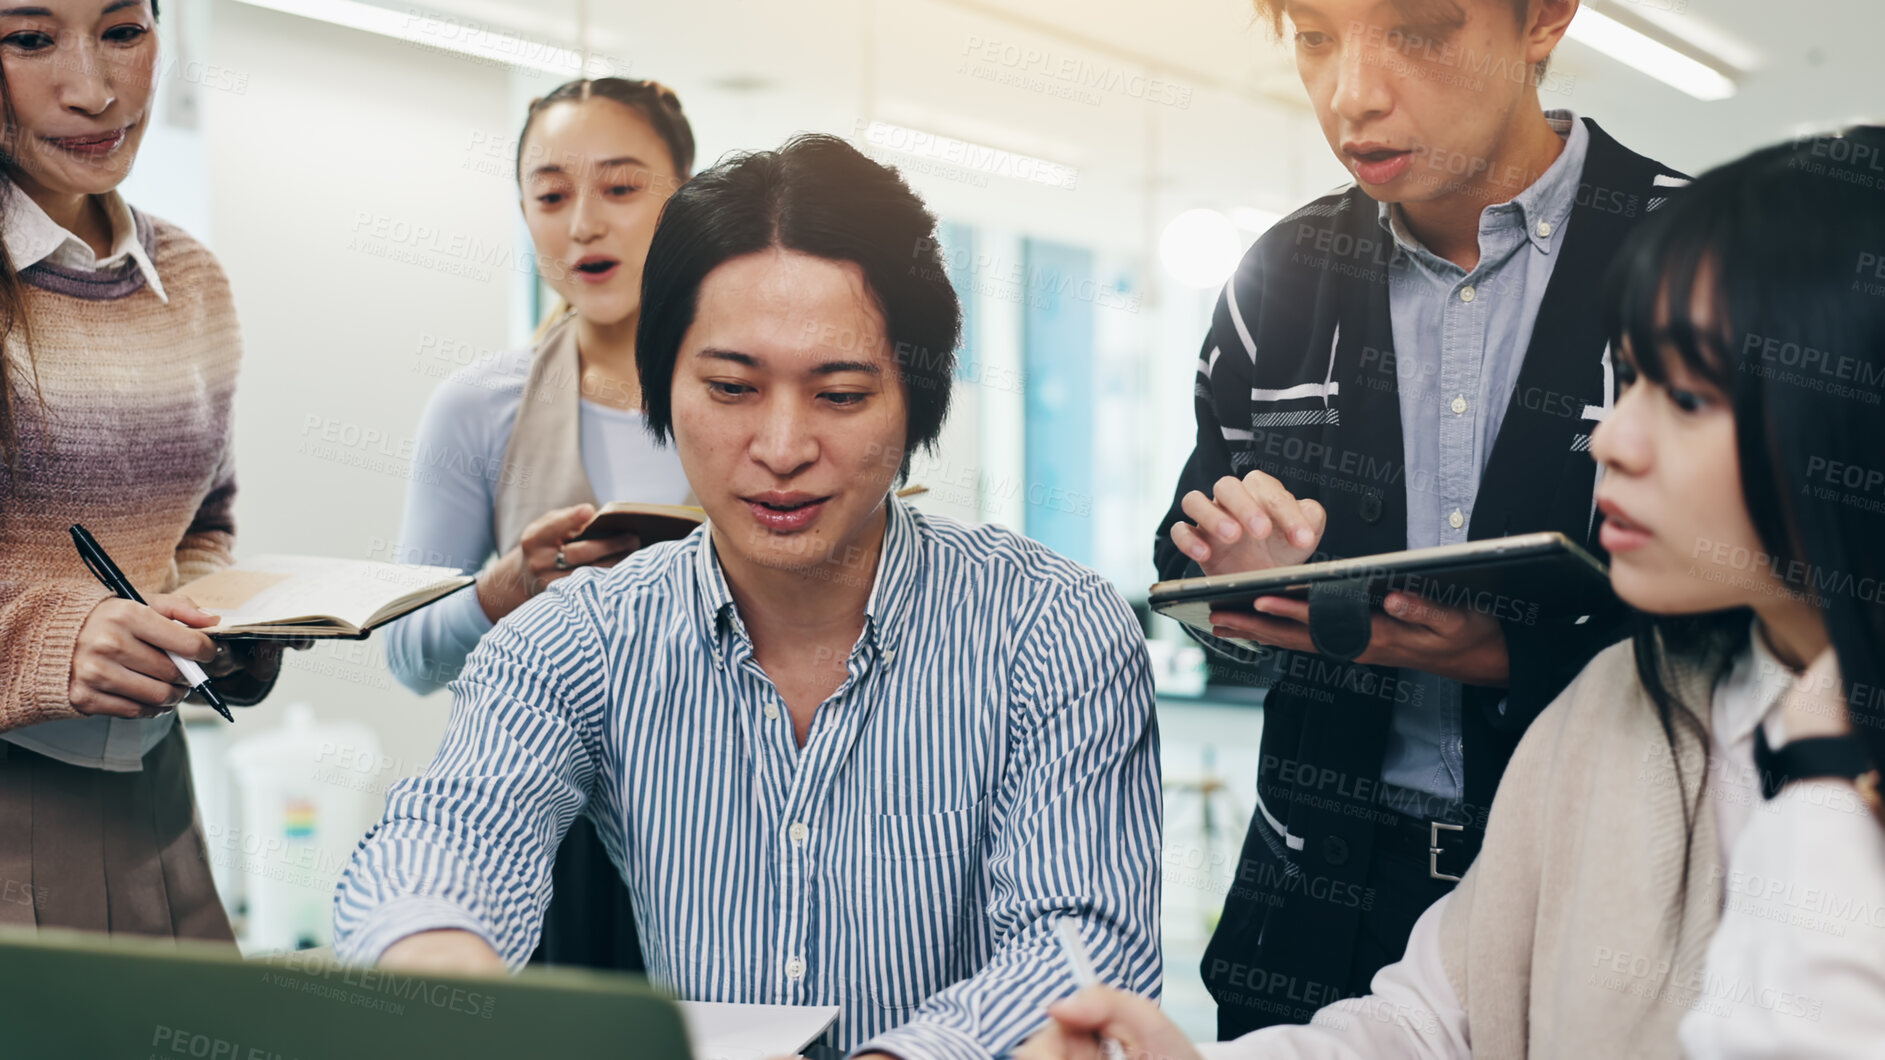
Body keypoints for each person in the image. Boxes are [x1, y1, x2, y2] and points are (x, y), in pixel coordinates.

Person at [1019, 125, 1885, 1059]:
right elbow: (1433, 1012)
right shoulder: (1616, 708)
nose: (1606, 443)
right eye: (1627, 381)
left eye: (1683, 399)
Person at [333, 134, 1163, 1057]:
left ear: (915, 396)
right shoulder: (581, 635)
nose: (779, 447)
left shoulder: (1049, 628)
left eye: (840, 396)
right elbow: (450, 832)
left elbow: (1083, 939)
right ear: (663, 384)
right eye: (729, 387)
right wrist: (442, 961)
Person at [1153, 0, 1686, 1035]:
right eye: (1313, 37)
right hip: (1316, 913)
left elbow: (1799, 613)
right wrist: (1234, 562)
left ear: (1544, 20)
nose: (1351, 94)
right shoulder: (1278, 277)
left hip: (1607, 906)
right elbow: (1177, 558)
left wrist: (1519, 660)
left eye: (1420, 30)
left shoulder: (1700, 260)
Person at [380, 77, 696, 972]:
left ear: (688, 200)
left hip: (748, 823)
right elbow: (407, 657)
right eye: (551, 196)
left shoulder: (754, 394)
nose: (583, 224)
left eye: (622, 188)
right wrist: (498, 594)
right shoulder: (479, 407)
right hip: (562, 838)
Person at [0, 0, 291, 937]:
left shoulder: (191, 279)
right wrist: (52, 638)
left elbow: (203, 524)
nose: (94, 90)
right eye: (29, 38)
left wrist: (223, 627)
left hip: (155, 790)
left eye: (123, 31)